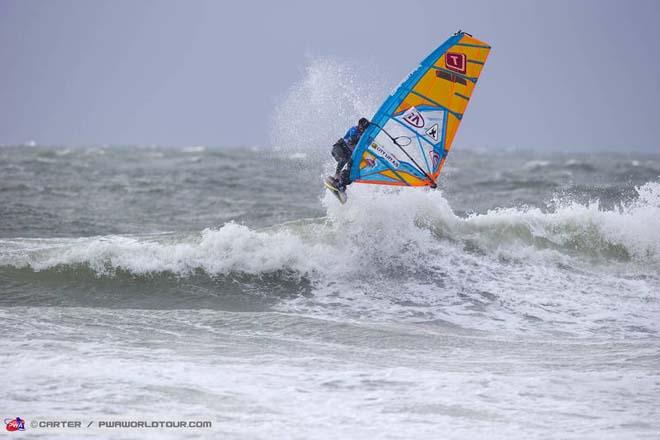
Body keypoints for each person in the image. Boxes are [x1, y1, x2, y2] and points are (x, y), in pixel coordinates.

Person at [328, 117, 370, 191]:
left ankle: (341, 184)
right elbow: (352, 140)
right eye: (361, 127)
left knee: (351, 173)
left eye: (364, 128)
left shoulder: (365, 136)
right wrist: (364, 138)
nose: (362, 129)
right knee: (343, 159)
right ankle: (336, 177)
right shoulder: (354, 129)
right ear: (359, 125)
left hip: (348, 154)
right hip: (338, 148)